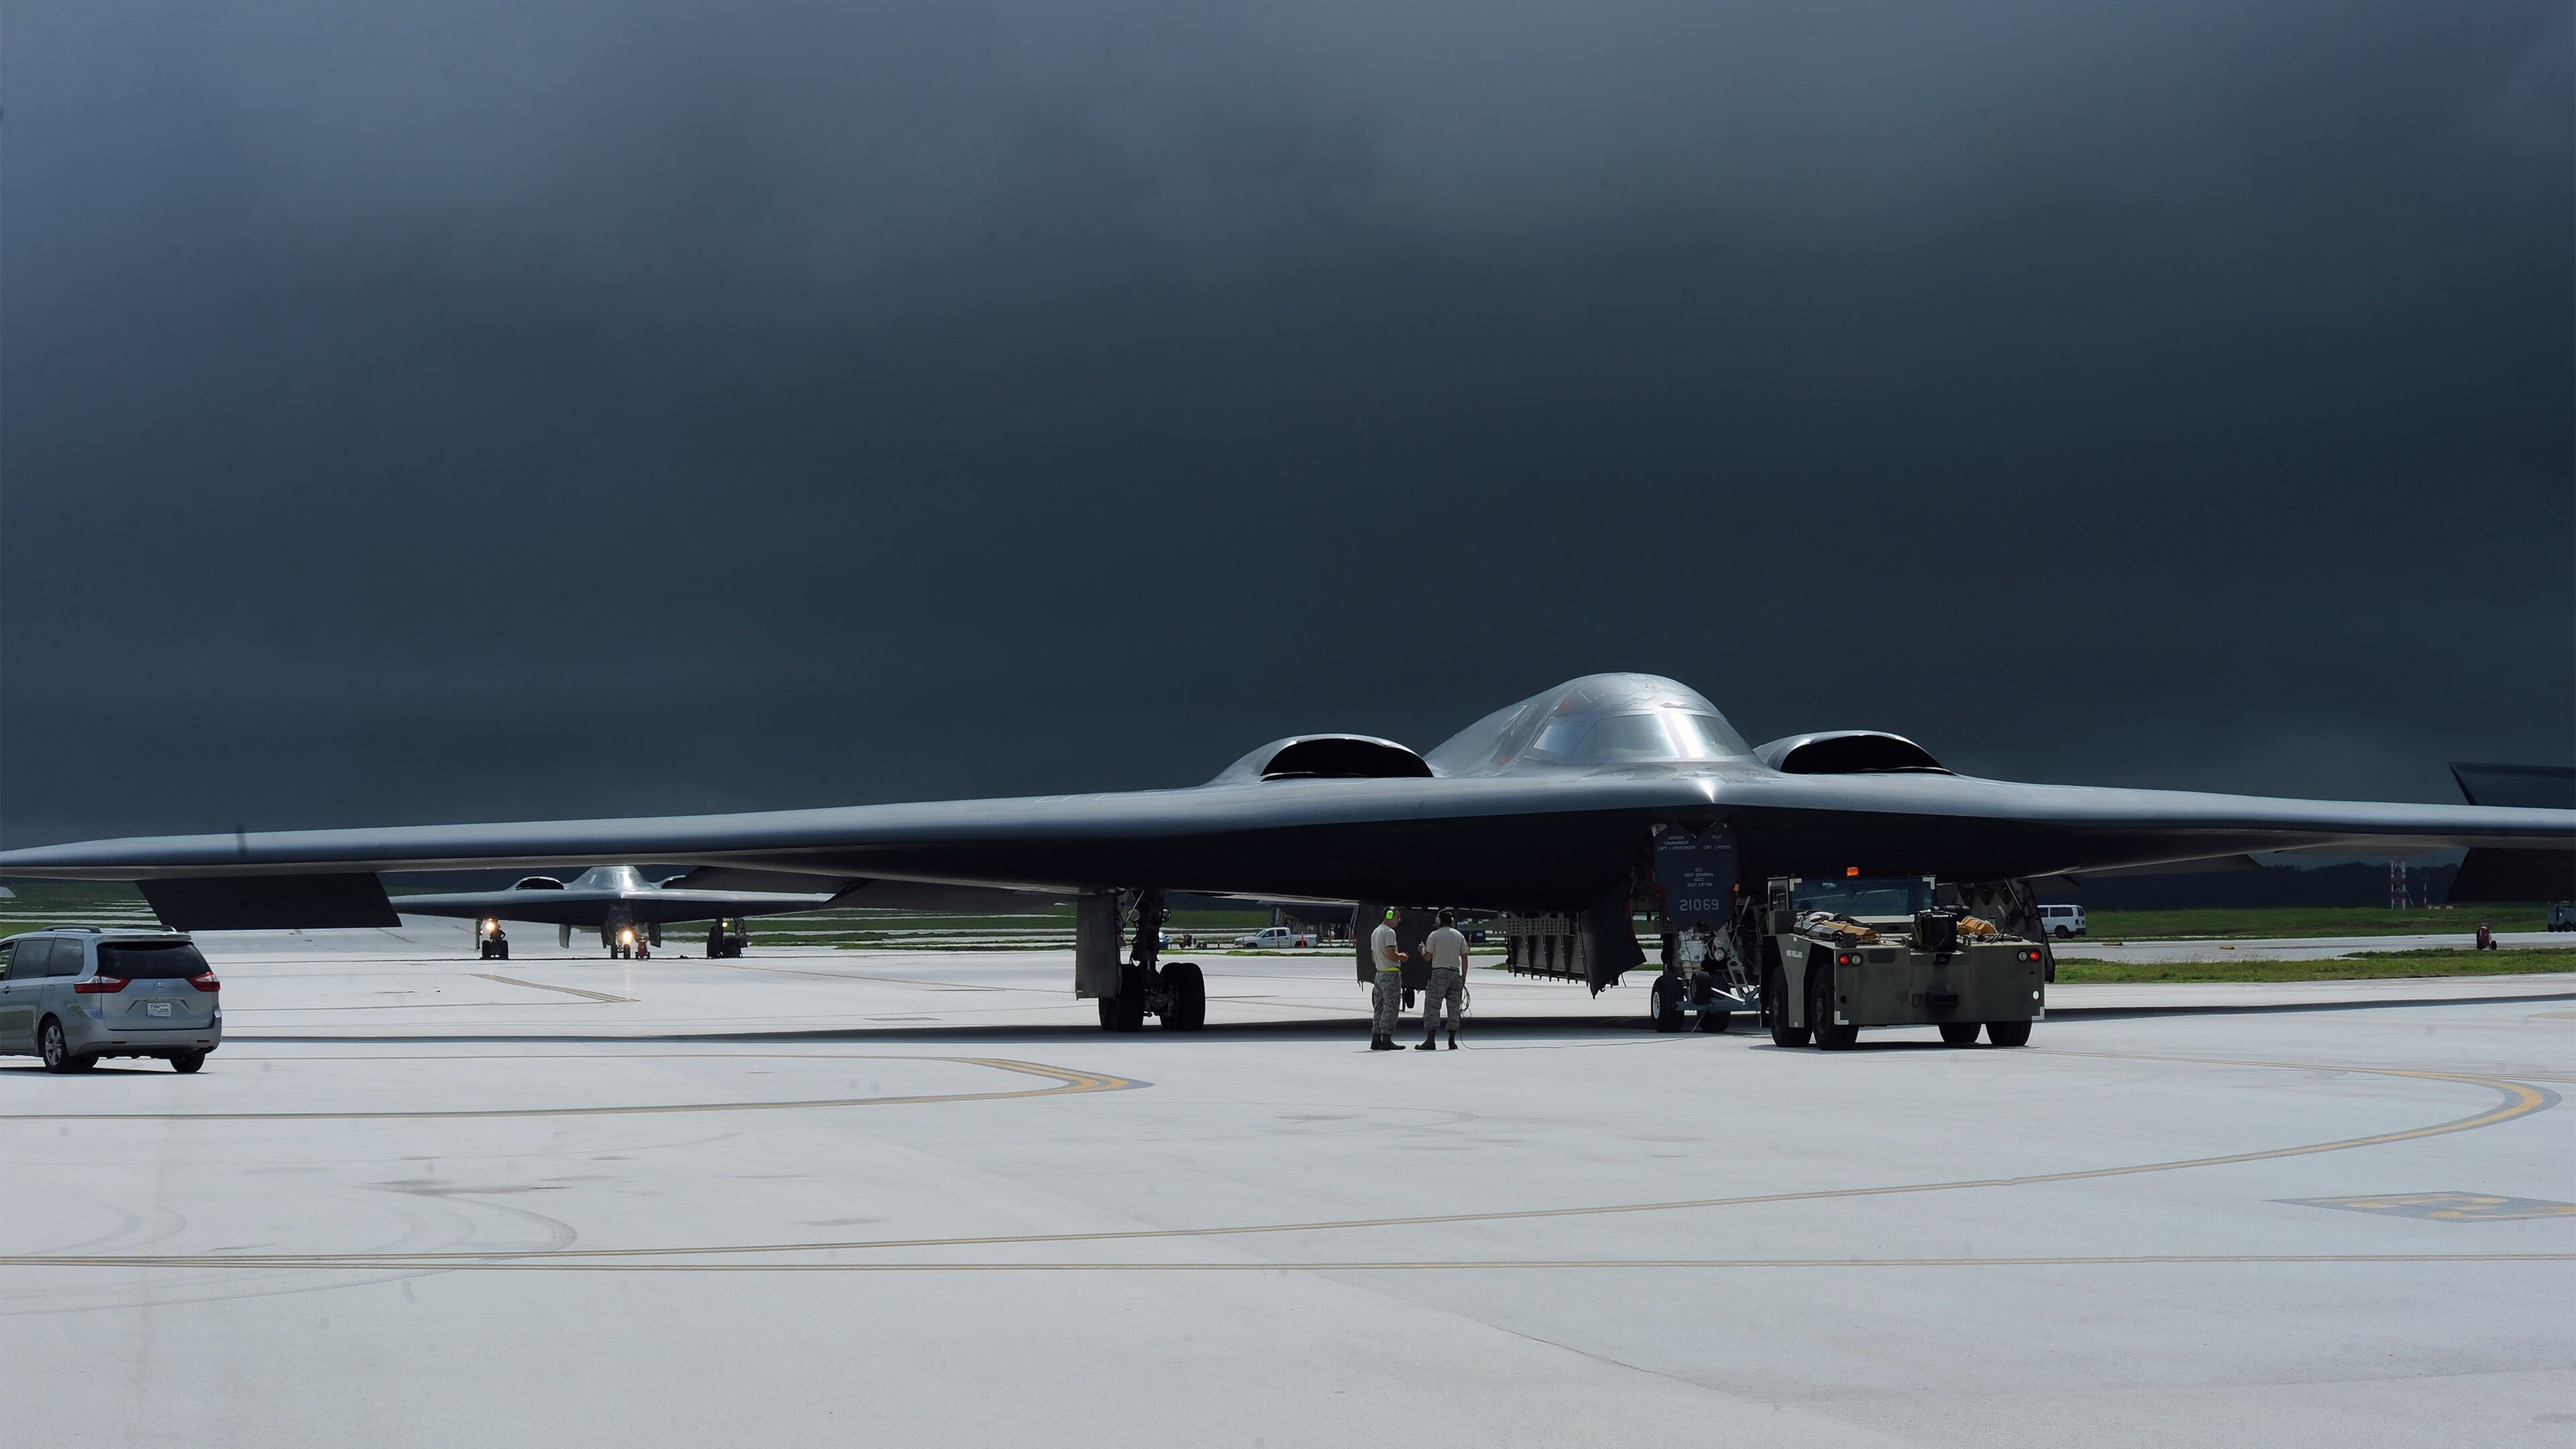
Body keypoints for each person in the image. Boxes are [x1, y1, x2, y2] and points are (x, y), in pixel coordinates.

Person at [1415, 910, 1468, 1050]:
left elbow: (1428, 957)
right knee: (1454, 1008)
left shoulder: (1434, 935)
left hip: (1440, 973)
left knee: (1432, 1005)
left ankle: (1431, 1040)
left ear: (1439, 921)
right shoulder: (1459, 935)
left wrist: (1422, 950)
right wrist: (1463, 978)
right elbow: (1464, 957)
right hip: (1455, 974)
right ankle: (1452, 1040)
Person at [1366, 907, 1408, 1051]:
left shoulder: (1375, 932)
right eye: (1397, 916)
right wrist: (1401, 957)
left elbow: (1373, 957)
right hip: (1391, 974)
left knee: (1379, 1008)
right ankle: (1387, 1039)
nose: (1399, 920)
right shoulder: (1389, 932)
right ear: (1389, 916)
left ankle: (1376, 1039)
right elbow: (1391, 953)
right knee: (1391, 1007)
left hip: (1379, 974)